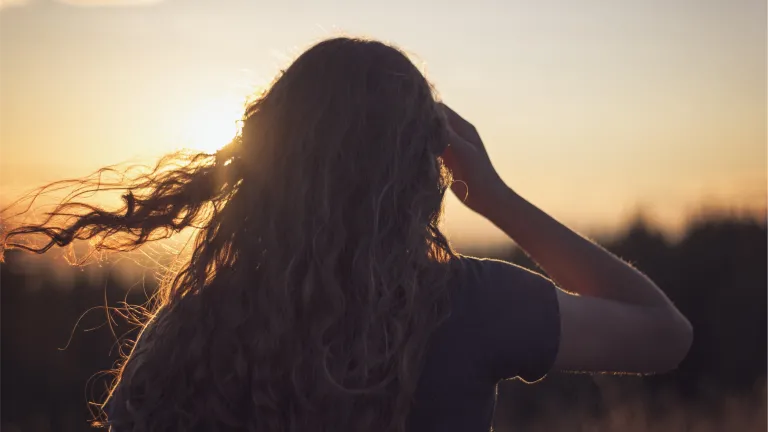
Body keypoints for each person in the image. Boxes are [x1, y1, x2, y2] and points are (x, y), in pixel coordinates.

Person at [0, 37, 692, 432]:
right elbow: (663, 333)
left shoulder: (184, 335)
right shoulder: (470, 306)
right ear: (421, 170)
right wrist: (496, 198)